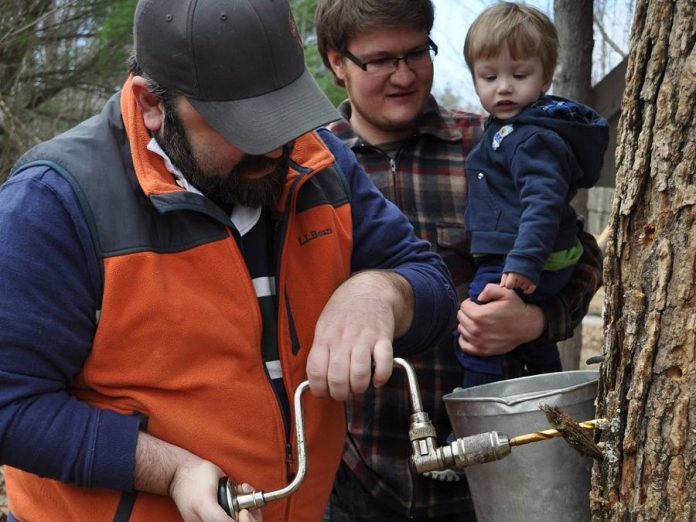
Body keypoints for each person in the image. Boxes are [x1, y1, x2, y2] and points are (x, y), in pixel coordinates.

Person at [0, 0, 458, 521]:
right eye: (244, 123)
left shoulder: (321, 164)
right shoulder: (53, 203)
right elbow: (9, 404)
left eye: (283, 112)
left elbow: (429, 282)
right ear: (153, 103)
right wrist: (166, 468)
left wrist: (379, 293)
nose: (277, 145)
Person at [314, 0, 603, 520]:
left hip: (495, 477)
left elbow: (581, 259)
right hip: (355, 480)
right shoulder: (311, 170)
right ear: (337, 62)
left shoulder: (495, 143)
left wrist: (534, 321)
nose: (403, 75)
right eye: (380, 60)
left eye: (415, 53)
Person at [457, 2, 609, 387]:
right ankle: (551, 395)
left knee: (478, 322)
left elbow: (543, 203)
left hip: (523, 258)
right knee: (532, 343)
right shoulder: (503, 130)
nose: (504, 86)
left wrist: (524, 263)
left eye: (519, 74)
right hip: (526, 255)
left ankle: (477, 399)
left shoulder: (532, 138)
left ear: (544, 80)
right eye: (489, 76)